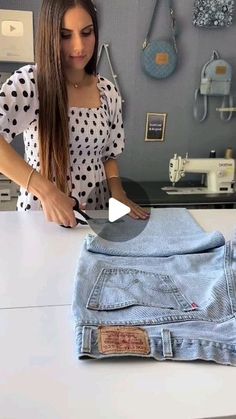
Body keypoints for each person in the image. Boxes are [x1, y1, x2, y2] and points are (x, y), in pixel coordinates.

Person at [0, 0, 149, 227]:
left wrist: (118, 193)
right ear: (50, 35)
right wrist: (47, 192)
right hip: (42, 218)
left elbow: (109, 154)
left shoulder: (108, 91)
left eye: (87, 32)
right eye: (65, 35)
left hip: (95, 216)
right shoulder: (31, 83)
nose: (79, 46)